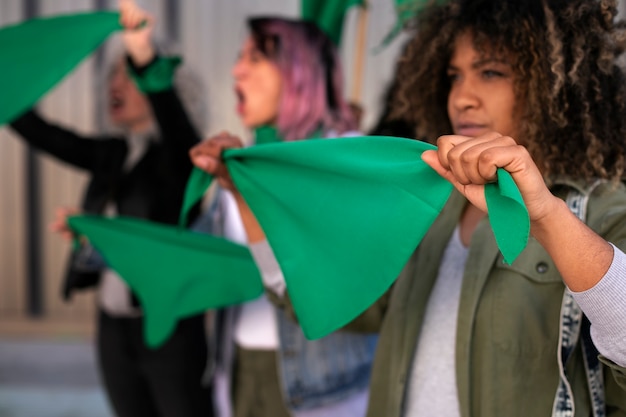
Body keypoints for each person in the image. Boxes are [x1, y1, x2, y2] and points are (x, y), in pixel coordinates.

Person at [192, 0, 626, 416]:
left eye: (491, 72)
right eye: (453, 75)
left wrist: (548, 218)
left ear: (557, 85)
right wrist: (246, 200)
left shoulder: (602, 212)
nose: (462, 97)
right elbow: (347, 305)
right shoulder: (429, 204)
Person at [9, 1, 213, 416]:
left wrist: (143, 55)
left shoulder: (182, 159)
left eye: (128, 76)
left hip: (168, 328)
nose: (114, 85)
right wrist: (6, 88)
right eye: (113, 74)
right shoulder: (114, 153)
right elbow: (46, 136)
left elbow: (174, 123)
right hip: (113, 325)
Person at [189, 17, 377, 417]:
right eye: (240, 58)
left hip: (321, 391)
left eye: (255, 58)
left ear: (299, 72)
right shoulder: (241, 162)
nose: (236, 70)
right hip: (240, 373)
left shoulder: (345, 162)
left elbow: (340, 290)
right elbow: (204, 258)